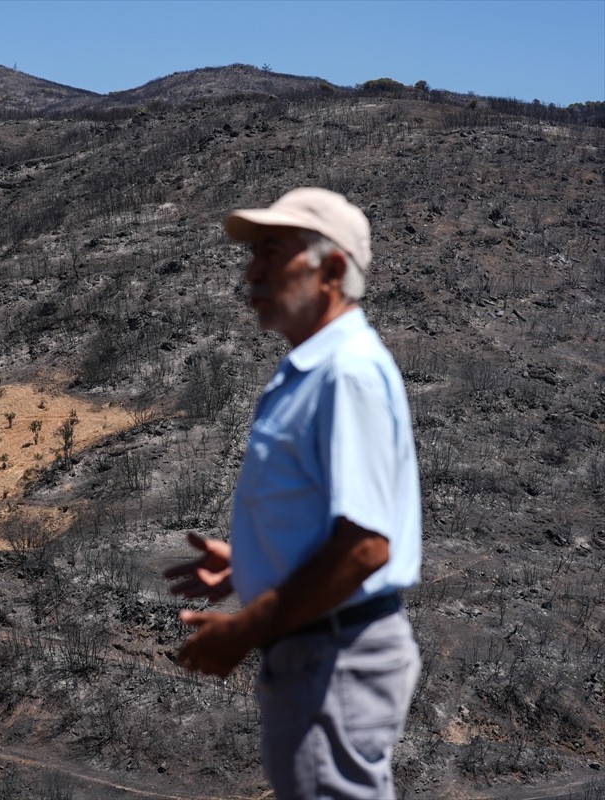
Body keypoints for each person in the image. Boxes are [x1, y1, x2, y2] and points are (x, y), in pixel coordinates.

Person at [164, 188, 422, 799]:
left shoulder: (345, 373)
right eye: (252, 254)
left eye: (272, 253)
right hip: (324, 649)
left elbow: (365, 548)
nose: (251, 270)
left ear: (332, 269)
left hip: (332, 655)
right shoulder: (311, 367)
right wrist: (254, 562)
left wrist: (244, 629)